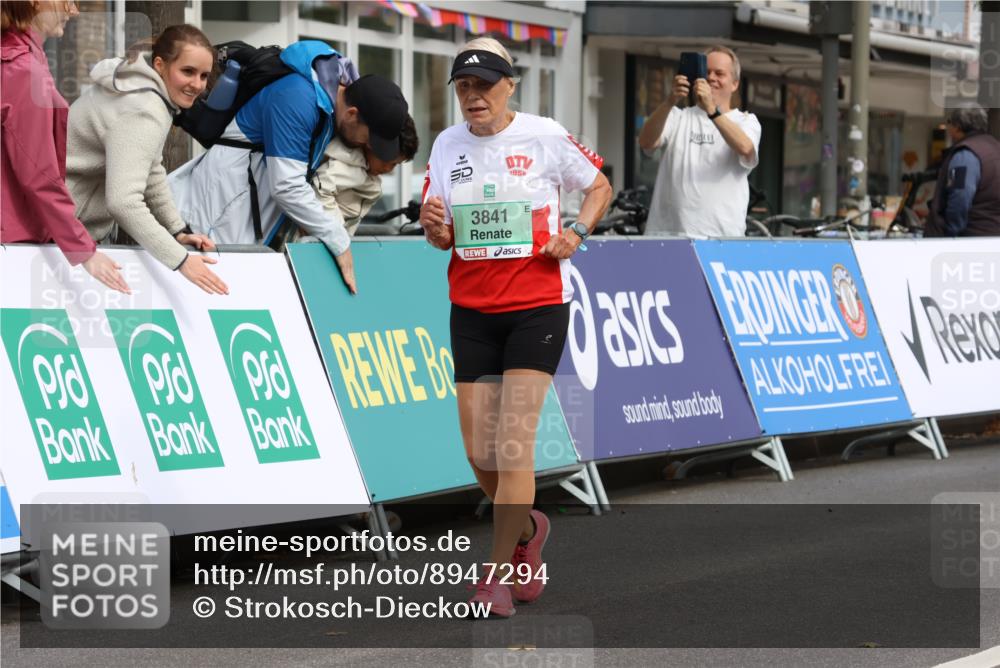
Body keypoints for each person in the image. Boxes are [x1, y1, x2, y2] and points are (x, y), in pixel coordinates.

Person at [419, 37, 612, 618]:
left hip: (536, 307)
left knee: (512, 445)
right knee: (480, 452)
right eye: (463, 87)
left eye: (485, 85)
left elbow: (599, 183)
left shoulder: (544, 134)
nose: (474, 96)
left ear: (510, 87)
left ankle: (496, 575)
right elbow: (440, 230)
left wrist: (576, 233)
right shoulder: (446, 144)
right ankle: (529, 529)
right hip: (472, 309)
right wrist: (434, 225)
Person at [168, 41, 409, 291]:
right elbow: (287, 186)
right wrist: (339, 241)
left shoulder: (327, 104)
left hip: (236, 225)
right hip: (210, 222)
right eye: (369, 139)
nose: (366, 146)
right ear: (352, 114)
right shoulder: (298, 98)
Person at [66, 24, 228, 295]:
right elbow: (123, 201)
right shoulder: (145, 109)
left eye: (203, 76)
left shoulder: (140, 89)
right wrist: (181, 260)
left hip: (62, 227)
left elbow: (151, 169)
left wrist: (178, 231)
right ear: (160, 64)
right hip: (62, 231)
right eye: (187, 71)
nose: (197, 85)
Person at [1, 0, 129, 294]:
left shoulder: (24, 63)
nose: (74, 11)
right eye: (67, 1)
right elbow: (38, 174)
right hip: (12, 244)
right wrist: (84, 250)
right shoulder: (22, 71)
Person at [638, 45, 761, 237]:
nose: (711, 78)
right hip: (668, 236)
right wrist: (670, 100)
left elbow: (745, 148)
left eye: (719, 73)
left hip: (721, 238)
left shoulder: (745, 121)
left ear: (735, 84)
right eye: (707, 72)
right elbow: (646, 142)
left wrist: (712, 110)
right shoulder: (677, 116)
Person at [292, 114, 420, 293]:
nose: (388, 169)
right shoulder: (348, 165)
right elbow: (321, 188)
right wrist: (338, 238)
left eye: (395, 165)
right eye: (389, 162)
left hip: (329, 246)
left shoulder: (365, 173)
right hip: (318, 248)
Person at [924, 105, 1000, 237]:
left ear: (957, 126)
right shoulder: (995, 147)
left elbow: (960, 196)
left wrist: (952, 231)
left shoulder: (965, 154)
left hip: (971, 239)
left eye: (949, 123)